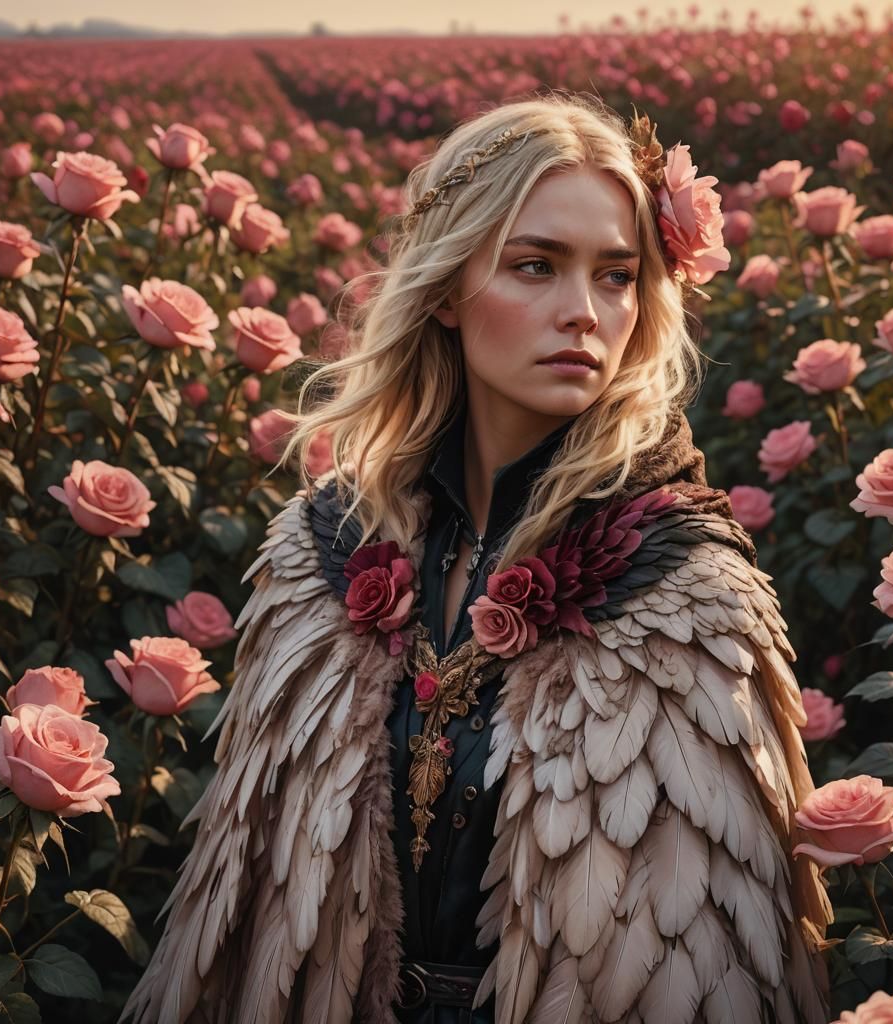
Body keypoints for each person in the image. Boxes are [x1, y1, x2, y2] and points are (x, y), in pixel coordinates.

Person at [120, 91, 833, 1024]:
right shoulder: (320, 552)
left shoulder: (684, 588)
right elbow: (251, 913)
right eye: (535, 265)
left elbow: (702, 963)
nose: (582, 311)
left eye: (616, 276)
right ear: (448, 288)